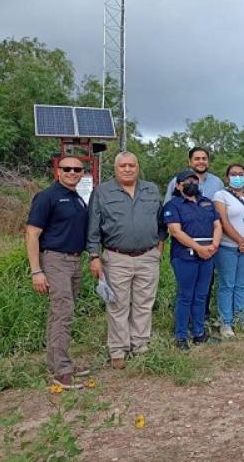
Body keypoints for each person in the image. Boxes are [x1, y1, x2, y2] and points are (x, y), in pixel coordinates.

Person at [87, 152, 167, 370]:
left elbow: (161, 222)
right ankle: (118, 349)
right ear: (116, 168)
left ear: (138, 167)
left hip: (148, 257)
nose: (128, 169)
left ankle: (140, 344)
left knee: (144, 303)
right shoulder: (102, 192)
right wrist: (94, 256)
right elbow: (92, 227)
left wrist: (159, 248)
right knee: (117, 304)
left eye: (132, 165)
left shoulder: (151, 190)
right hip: (116, 257)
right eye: (123, 165)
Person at [25, 156, 91, 389]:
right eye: (67, 168)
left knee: (59, 313)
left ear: (82, 173)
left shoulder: (77, 198)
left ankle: (57, 362)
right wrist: (36, 271)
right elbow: (32, 233)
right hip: (55, 260)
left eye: (77, 169)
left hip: (74, 261)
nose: (72, 172)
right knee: (64, 312)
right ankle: (62, 372)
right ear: (58, 171)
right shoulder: (47, 197)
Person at [164, 170, 222, 350]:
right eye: (187, 181)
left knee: (201, 296)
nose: (192, 184)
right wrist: (199, 249)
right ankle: (181, 336)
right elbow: (176, 231)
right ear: (178, 185)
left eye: (195, 181)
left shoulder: (207, 202)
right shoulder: (173, 205)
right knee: (185, 296)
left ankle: (199, 333)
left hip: (208, 256)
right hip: (185, 257)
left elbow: (217, 225)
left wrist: (214, 246)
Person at [164, 146, 225, 318]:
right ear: (190, 161)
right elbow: (169, 210)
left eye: (204, 158)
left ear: (208, 161)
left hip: (210, 245)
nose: (201, 161)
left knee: (205, 288)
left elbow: (218, 217)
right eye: (197, 158)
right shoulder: (176, 181)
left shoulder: (217, 183)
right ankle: (185, 323)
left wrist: (214, 245)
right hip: (185, 247)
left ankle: (202, 319)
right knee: (186, 290)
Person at [213, 164, 244, 337]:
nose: (238, 177)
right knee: (227, 285)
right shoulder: (221, 195)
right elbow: (223, 220)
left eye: (241, 174)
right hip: (228, 247)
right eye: (233, 174)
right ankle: (226, 322)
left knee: (241, 285)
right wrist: (241, 241)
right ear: (227, 177)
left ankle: (241, 319)